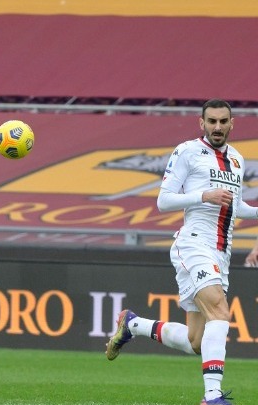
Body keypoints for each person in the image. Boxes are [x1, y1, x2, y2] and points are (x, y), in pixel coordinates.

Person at [105, 99, 258, 405]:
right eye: (211, 121)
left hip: (221, 252)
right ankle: (212, 395)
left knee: (196, 342)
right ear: (202, 123)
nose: (217, 126)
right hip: (194, 244)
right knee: (220, 311)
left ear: (232, 124)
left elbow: (236, 206)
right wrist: (203, 195)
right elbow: (164, 201)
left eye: (223, 121)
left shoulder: (237, 159)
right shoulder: (188, 151)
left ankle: (133, 324)